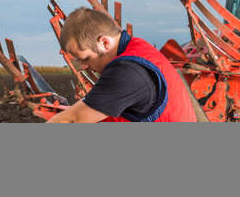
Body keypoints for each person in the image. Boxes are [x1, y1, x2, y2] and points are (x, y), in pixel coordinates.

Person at [47, 7, 197, 123]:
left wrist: (69, 116)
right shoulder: (137, 49)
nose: (83, 66)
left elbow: (73, 120)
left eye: (85, 58)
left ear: (104, 43)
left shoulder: (128, 71)